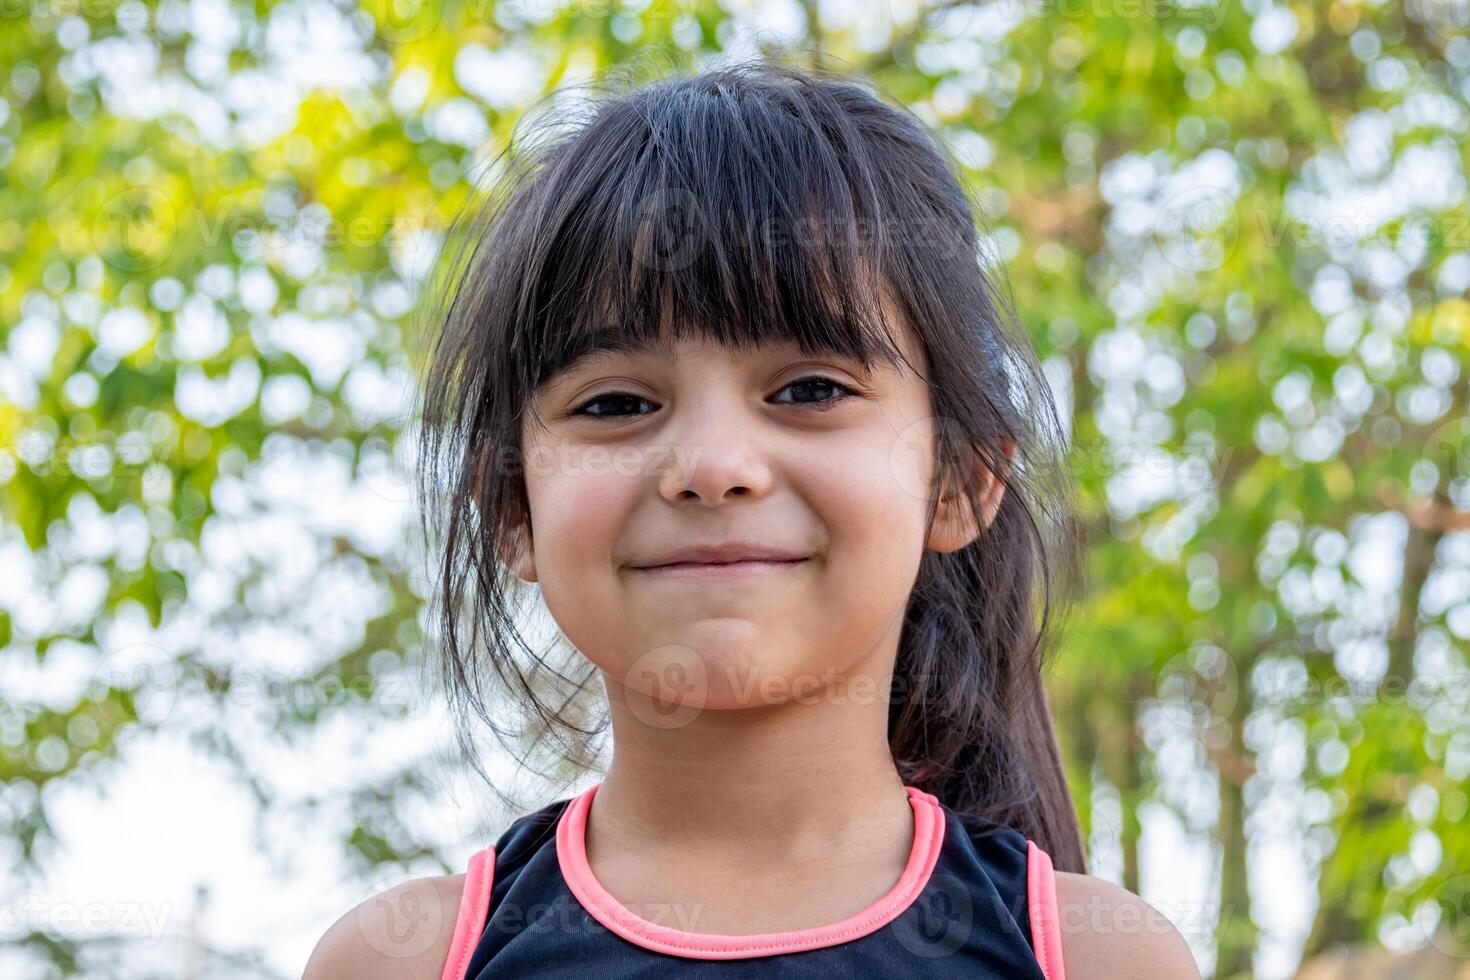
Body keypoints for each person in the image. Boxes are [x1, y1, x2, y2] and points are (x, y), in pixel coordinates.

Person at [304, 55, 1201, 979]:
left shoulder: (1100, 957)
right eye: (616, 403)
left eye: (810, 389)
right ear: (512, 509)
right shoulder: (401, 960)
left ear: (961, 479)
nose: (711, 468)